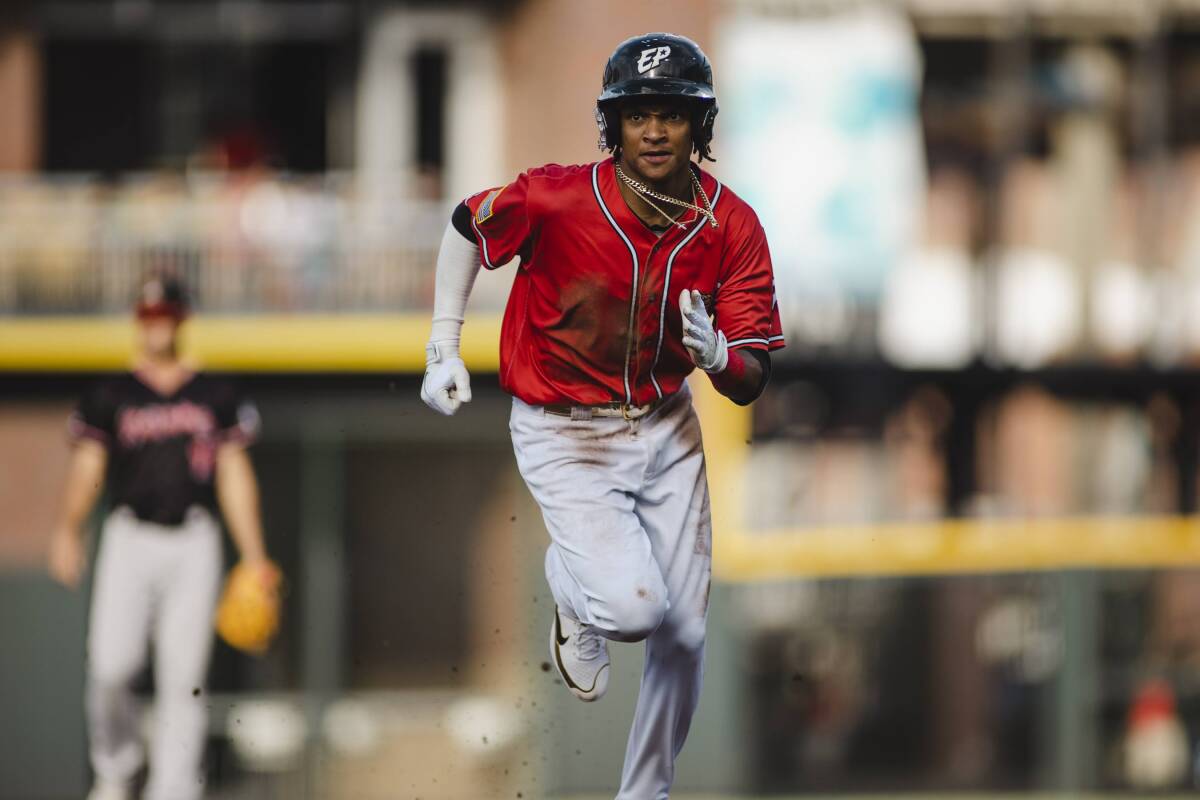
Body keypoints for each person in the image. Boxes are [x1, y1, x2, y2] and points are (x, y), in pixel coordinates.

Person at [421, 32, 783, 797]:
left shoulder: (733, 226)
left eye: (674, 114)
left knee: (685, 633)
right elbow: (466, 222)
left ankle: (643, 794)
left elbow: (751, 378)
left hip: (664, 420)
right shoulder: (557, 195)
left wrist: (719, 358)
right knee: (633, 611)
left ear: (700, 126)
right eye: (638, 113)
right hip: (563, 426)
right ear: (612, 125)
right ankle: (572, 589)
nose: (654, 130)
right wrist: (442, 347)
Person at [47, 275, 273, 800]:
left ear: (182, 319)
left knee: (184, 677)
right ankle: (116, 768)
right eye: (149, 315)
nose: (157, 324)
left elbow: (234, 476)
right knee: (109, 665)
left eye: (165, 314)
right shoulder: (110, 393)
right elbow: (87, 468)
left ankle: (174, 788)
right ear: (137, 320)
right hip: (129, 536)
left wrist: (255, 556)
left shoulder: (215, 392)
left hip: (194, 539)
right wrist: (66, 530)